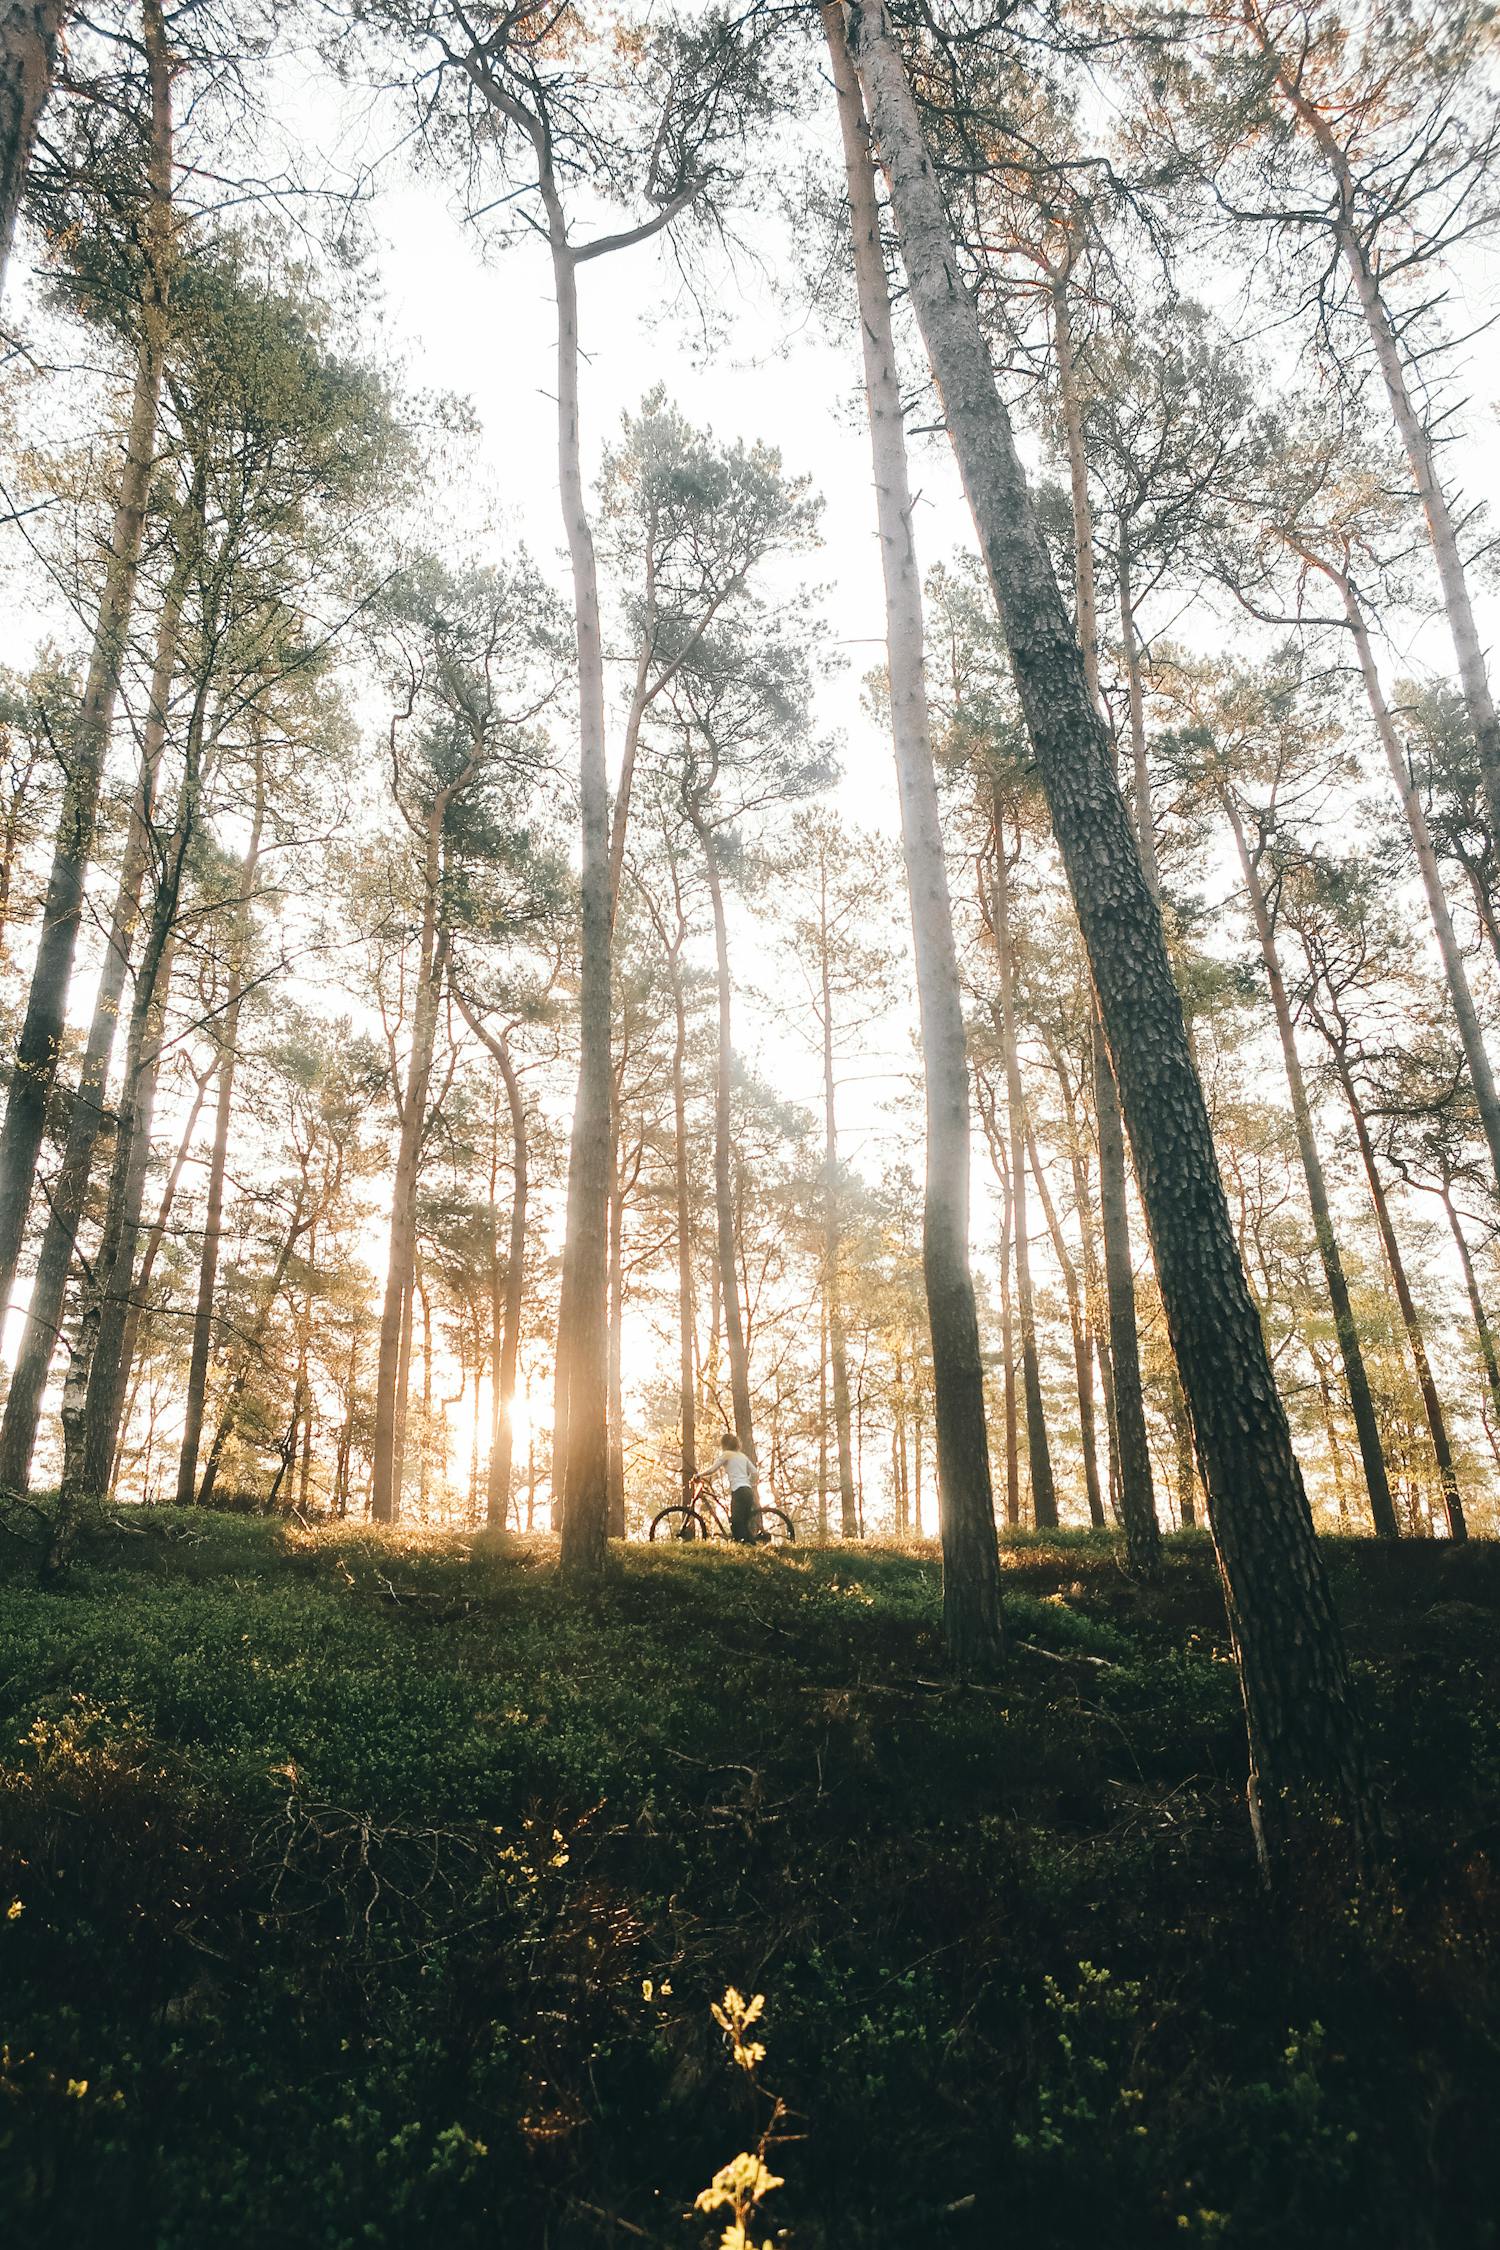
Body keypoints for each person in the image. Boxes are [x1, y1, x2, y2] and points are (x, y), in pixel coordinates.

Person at [711, 1431, 762, 1543]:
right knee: (742, 1522)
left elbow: (713, 1469)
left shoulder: (727, 1454)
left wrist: (698, 1475)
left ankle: (747, 1545)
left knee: (737, 1523)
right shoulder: (742, 1456)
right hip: (747, 1491)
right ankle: (749, 1544)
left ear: (724, 1445)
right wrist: (749, 1483)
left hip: (738, 1491)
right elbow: (755, 1473)